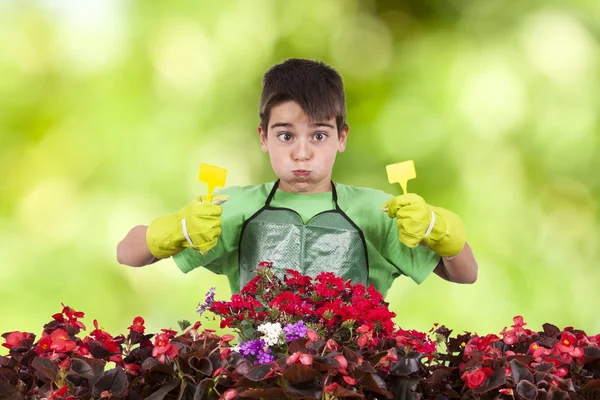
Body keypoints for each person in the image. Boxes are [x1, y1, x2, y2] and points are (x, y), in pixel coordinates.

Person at [117, 58, 478, 298]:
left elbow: (465, 274)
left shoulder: (378, 210)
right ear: (263, 137)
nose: (301, 152)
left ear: (342, 137)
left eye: (318, 135)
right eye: (286, 135)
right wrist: (178, 228)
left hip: (357, 381)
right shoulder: (233, 207)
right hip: (255, 380)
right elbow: (128, 253)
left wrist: (439, 228)